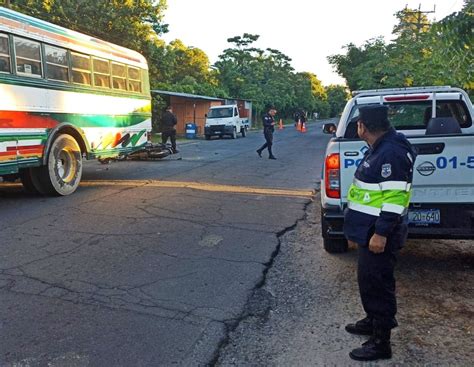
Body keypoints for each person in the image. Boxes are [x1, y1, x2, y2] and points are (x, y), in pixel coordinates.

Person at [343, 105, 417, 362]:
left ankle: (380, 342)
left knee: (378, 286)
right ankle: (373, 321)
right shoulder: (381, 147)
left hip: (379, 234)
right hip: (369, 230)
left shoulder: (392, 152)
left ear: (364, 126)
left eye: (359, 124)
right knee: (369, 281)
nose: (357, 128)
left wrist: (381, 234)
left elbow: (396, 198)